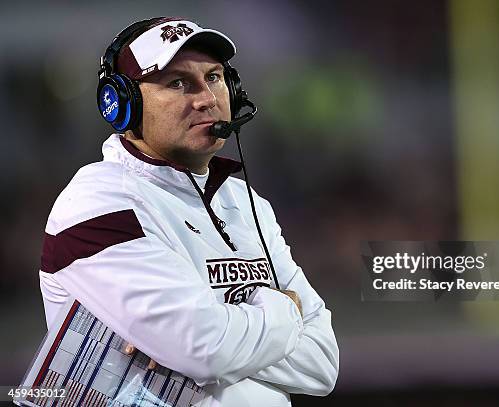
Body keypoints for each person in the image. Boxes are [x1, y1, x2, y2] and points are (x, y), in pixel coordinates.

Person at [39, 16, 339, 406]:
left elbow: (322, 364)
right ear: (121, 104)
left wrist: (203, 335)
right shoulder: (97, 202)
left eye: (214, 77)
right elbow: (206, 350)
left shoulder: (245, 200)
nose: (207, 99)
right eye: (178, 83)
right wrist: (286, 309)